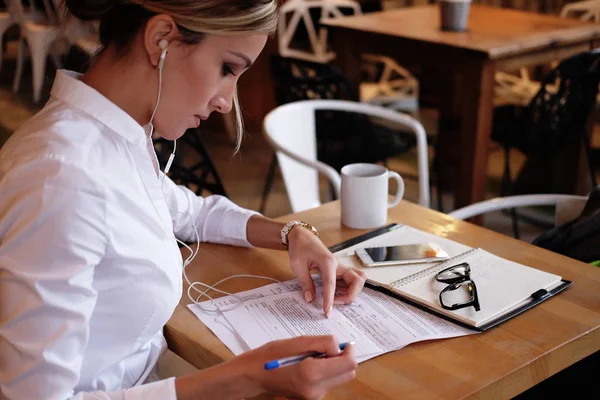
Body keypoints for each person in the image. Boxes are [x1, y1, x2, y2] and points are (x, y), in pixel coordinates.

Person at [0, 0, 367, 399]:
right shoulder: (61, 179)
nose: (226, 101)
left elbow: (190, 210)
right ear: (160, 39)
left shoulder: (116, 135)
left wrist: (293, 233)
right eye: (227, 68)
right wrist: (248, 378)